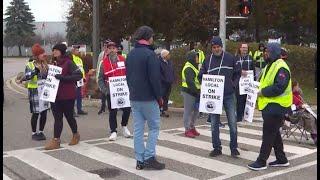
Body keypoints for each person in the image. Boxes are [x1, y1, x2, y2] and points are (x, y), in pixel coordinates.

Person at [126, 25, 165, 170]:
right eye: (152, 36)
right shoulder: (150, 55)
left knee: (138, 129)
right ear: (148, 38)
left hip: (135, 97)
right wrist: (159, 97)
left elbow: (127, 76)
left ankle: (139, 160)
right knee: (154, 127)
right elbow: (154, 79)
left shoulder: (130, 54)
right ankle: (149, 157)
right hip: (149, 98)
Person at [248, 43, 292, 170]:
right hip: (270, 105)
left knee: (268, 133)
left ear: (275, 52)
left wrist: (262, 92)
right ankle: (281, 159)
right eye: (265, 51)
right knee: (274, 133)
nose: (265, 53)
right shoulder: (270, 65)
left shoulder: (281, 66)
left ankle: (261, 161)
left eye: (268, 51)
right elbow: (263, 82)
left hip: (277, 106)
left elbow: (279, 87)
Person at [198, 36, 241, 158]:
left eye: (218, 47)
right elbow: (200, 75)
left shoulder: (230, 58)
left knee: (232, 122)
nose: (216, 49)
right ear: (211, 48)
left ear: (222, 46)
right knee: (214, 123)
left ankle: (234, 148)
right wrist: (204, 79)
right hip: (214, 97)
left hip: (228, 94)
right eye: (214, 47)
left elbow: (237, 73)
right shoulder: (207, 60)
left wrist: (233, 85)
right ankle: (217, 147)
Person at [44, 43, 82, 150]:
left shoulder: (69, 62)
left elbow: (79, 75)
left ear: (62, 51)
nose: (54, 52)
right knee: (57, 118)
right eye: (53, 50)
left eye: (56, 50)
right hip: (55, 95)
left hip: (67, 96)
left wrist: (63, 78)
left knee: (69, 117)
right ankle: (56, 140)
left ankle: (76, 134)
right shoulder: (53, 63)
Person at [98, 41, 132, 141]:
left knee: (127, 109)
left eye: (114, 48)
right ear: (107, 50)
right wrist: (105, 90)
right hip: (111, 91)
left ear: (117, 50)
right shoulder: (103, 62)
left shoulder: (123, 60)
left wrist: (129, 86)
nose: (112, 50)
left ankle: (124, 126)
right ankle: (113, 131)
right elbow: (100, 78)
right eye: (110, 48)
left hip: (124, 90)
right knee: (112, 111)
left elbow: (129, 73)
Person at [24, 43, 49, 141]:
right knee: (36, 113)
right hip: (34, 91)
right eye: (42, 53)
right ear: (37, 55)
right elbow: (26, 76)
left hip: (44, 91)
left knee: (44, 112)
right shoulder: (30, 64)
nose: (44, 55)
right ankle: (34, 133)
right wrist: (35, 71)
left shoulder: (45, 64)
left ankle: (41, 131)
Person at [181, 51, 201, 138]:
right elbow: (190, 82)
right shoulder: (188, 68)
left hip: (195, 92)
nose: (197, 58)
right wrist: (197, 92)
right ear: (192, 58)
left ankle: (192, 126)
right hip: (189, 92)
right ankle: (187, 129)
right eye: (196, 57)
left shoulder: (194, 66)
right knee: (188, 111)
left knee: (196, 111)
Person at [235, 43, 255, 122]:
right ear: (240, 48)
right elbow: (233, 69)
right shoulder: (235, 58)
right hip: (238, 83)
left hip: (248, 83)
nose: (244, 49)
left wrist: (254, 82)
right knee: (239, 100)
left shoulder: (250, 58)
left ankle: (246, 116)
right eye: (243, 48)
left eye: (246, 48)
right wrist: (240, 71)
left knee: (247, 100)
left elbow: (253, 70)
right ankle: (239, 117)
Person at [72, 46, 88, 115]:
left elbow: (82, 69)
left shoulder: (79, 59)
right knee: (73, 96)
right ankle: (72, 111)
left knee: (79, 95)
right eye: (76, 50)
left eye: (78, 50)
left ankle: (79, 109)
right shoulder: (71, 58)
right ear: (73, 51)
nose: (78, 51)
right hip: (74, 79)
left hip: (80, 79)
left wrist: (83, 77)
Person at [159, 49, 175, 117]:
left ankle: (165, 110)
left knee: (166, 97)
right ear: (165, 56)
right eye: (168, 54)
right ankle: (160, 110)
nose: (169, 55)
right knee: (162, 96)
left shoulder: (170, 62)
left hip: (169, 83)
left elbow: (172, 71)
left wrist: (172, 78)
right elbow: (159, 74)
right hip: (163, 83)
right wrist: (164, 80)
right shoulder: (159, 63)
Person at [97, 39, 111, 115]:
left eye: (107, 46)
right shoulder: (101, 54)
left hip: (110, 76)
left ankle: (111, 107)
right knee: (103, 92)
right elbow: (98, 65)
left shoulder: (112, 54)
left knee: (110, 93)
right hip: (103, 75)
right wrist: (97, 76)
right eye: (105, 46)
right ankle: (102, 107)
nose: (105, 47)